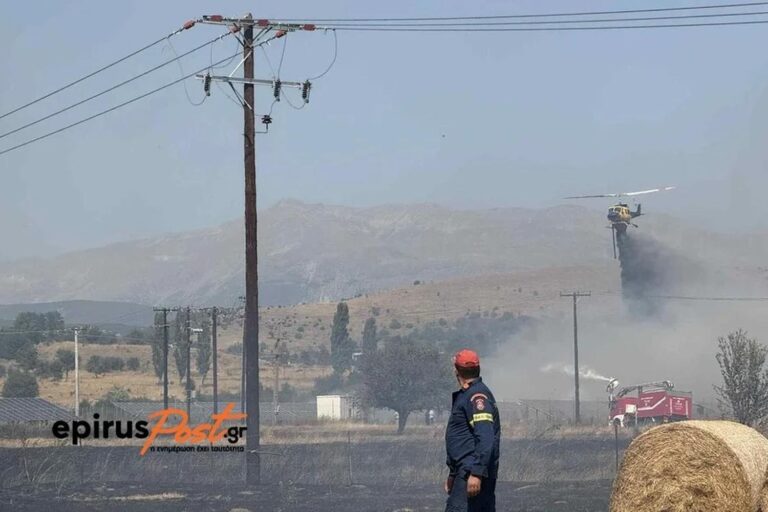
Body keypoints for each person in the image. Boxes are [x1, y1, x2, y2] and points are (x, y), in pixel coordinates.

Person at [444, 349, 500, 512]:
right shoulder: (469, 395)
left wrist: (476, 473)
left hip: (471, 473)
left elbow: (485, 437)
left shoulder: (477, 397)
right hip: (465, 472)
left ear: (456, 370)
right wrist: (453, 474)